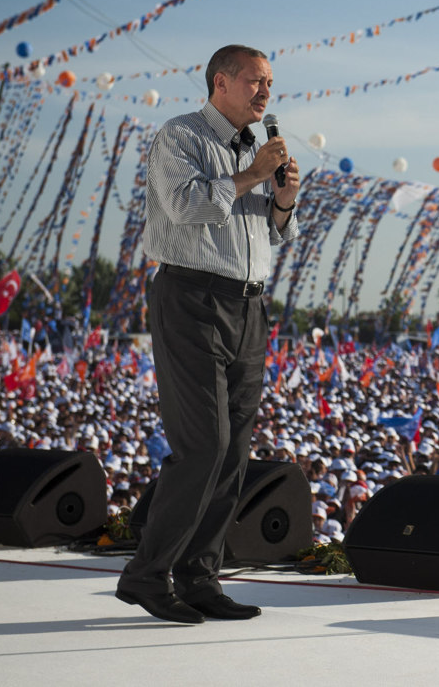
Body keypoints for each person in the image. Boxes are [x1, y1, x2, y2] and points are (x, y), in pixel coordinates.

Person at [115, 45, 300, 624]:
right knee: (205, 446)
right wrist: (252, 176)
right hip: (191, 299)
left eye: (269, 82)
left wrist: (283, 203)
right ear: (222, 82)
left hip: (248, 305)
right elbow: (186, 206)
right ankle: (147, 575)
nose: (265, 92)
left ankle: (199, 577)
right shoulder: (183, 137)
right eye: (255, 81)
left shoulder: (254, 148)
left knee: (235, 452)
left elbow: (263, 236)